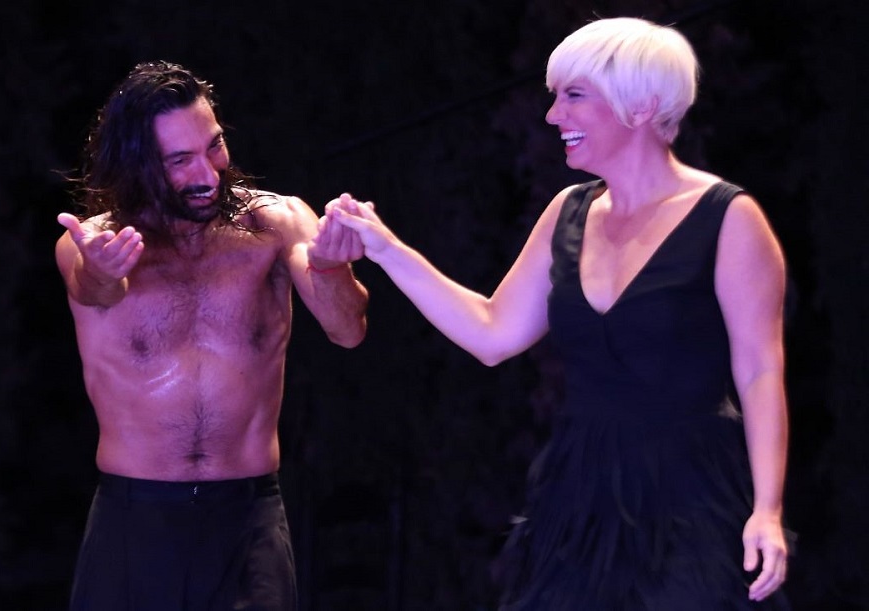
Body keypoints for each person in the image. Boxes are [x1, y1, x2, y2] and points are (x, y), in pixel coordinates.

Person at [326, 17, 790, 610]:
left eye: (573, 96)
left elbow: (760, 371)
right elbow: (493, 332)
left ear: (641, 105)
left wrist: (767, 508)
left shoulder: (728, 218)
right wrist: (387, 249)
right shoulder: (569, 212)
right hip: (580, 496)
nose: (552, 116)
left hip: (691, 494)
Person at [55, 60, 368, 611]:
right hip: (134, 518)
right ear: (138, 162)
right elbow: (94, 288)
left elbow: (347, 331)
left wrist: (331, 267)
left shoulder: (276, 223)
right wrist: (101, 271)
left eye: (215, 146)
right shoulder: (97, 243)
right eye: (180, 161)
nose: (207, 174)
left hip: (248, 517)